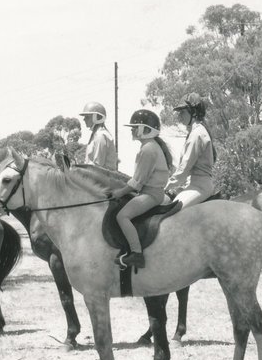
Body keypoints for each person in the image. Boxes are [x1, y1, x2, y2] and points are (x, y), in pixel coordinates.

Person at [109, 109, 173, 269]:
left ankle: (137, 254)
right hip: (151, 192)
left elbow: (136, 182)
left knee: (122, 216)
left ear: (145, 129)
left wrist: (118, 192)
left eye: (135, 127)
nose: (132, 129)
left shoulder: (148, 149)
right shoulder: (150, 146)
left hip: (151, 194)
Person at [165, 93, 217, 207]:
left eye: (182, 112)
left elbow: (185, 167)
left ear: (193, 112)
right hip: (193, 184)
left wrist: (167, 185)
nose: (179, 116)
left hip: (200, 186)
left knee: (174, 210)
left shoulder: (197, 134)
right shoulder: (194, 132)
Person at [79, 101, 117, 170]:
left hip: (102, 179)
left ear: (97, 117)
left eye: (87, 117)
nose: (84, 119)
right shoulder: (96, 135)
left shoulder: (100, 136)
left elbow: (98, 166)